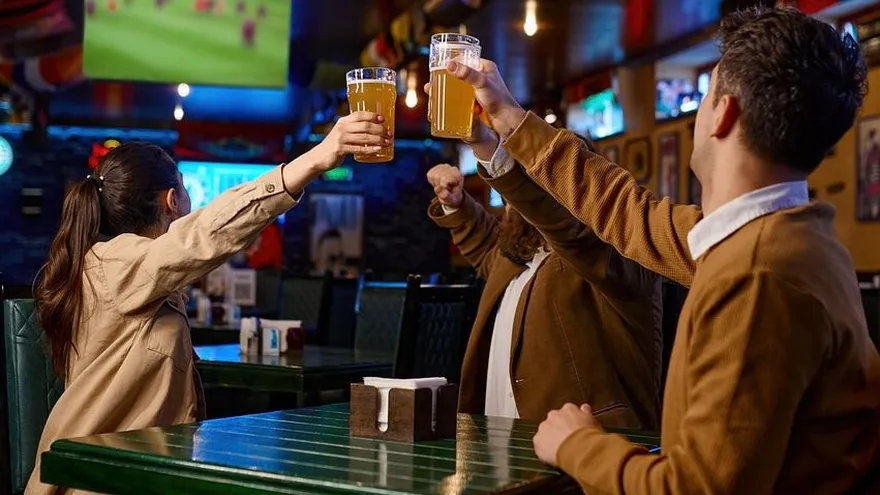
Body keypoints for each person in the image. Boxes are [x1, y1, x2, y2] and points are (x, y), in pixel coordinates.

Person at [440, 6, 880, 493]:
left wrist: (578, 444)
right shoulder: (784, 236)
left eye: (707, 93)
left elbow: (694, 488)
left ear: (725, 113)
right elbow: (625, 212)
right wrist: (507, 118)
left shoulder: (757, 275)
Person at [28, 111, 390, 495]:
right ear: (172, 200)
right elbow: (204, 234)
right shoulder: (117, 265)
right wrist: (317, 158)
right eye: (186, 190)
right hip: (100, 480)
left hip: (129, 468)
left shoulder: (114, 268)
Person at [426, 120, 663, 429]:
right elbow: (489, 249)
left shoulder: (613, 250)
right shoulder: (524, 252)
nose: (511, 197)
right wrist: (458, 206)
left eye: (525, 181)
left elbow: (573, 234)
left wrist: (490, 150)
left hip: (590, 453)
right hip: (506, 443)